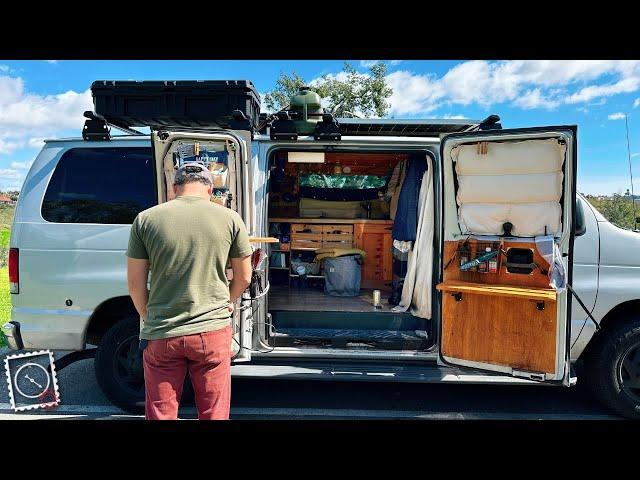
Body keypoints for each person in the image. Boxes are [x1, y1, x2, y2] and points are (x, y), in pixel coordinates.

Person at [126, 162, 252, 420]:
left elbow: (135, 284)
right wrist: (227, 301)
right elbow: (245, 277)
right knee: (213, 413)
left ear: (174, 188)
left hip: (163, 330)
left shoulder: (146, 219)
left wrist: (148, 315)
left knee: (161, 413)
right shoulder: (230, 219)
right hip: (211, 331)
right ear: (210, 189)